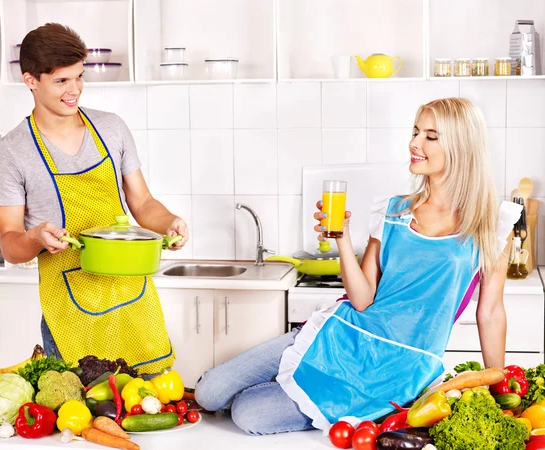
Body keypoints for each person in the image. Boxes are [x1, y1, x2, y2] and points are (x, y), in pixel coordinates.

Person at [194, 98, 522, 435]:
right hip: (344, 334)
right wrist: (343, 238)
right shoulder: (394, 211)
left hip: (396, 369)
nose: (414, 143)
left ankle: (305, 389)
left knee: (249, 416)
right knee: (209, 393)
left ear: (461, 146)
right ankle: (298, 372)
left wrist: (497, 388)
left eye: (430, 136)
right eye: (415, 132)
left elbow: (491, 312)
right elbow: (364, 299)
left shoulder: (491, 223)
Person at [0, 23, 189, 376]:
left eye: (79, 77)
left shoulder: (111, 129)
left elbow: (142, 204)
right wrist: (35, 237)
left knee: (150, 405)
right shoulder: (10, 153)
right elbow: (10, 244)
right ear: (31, 80)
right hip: (68, 307)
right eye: (61, 81)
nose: (75, 90)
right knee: (80, 418)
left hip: (131, 296)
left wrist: (169, 221)